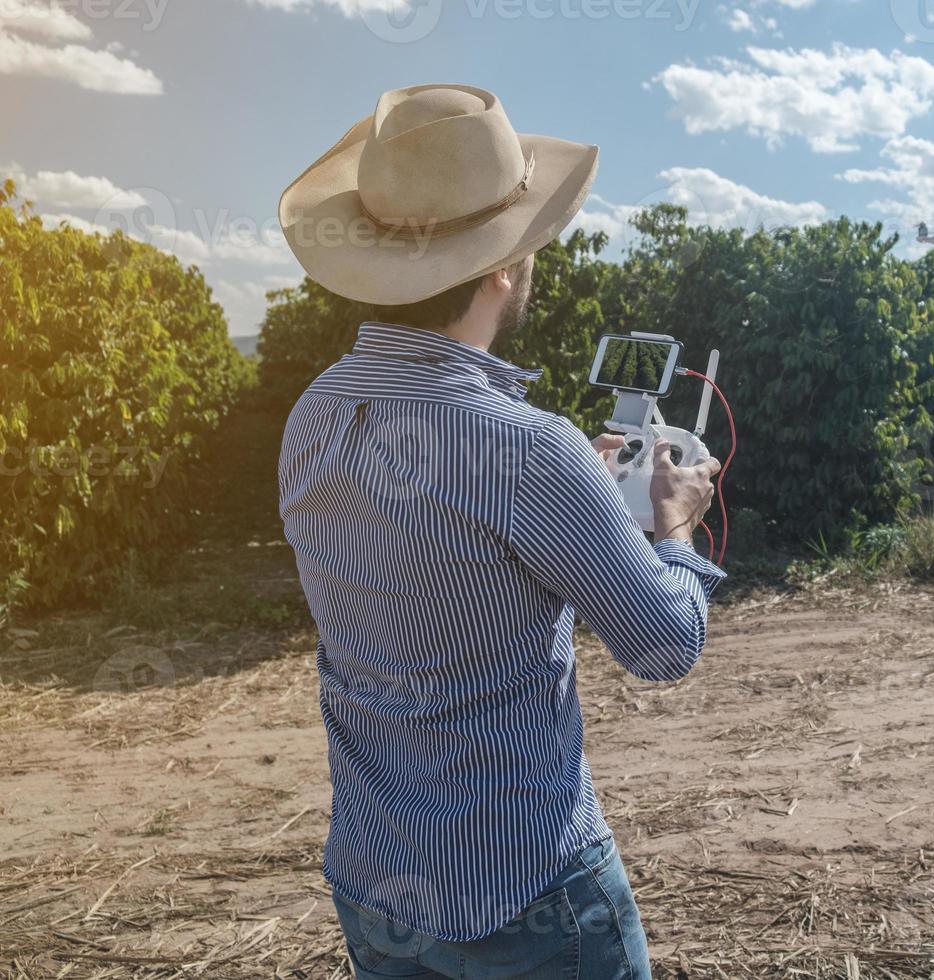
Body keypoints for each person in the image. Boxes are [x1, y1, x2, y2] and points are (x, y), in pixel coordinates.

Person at [275, 83, 724, 979]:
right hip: (526, 891)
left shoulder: (314, 414)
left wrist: (577, 502)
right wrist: (671, 529)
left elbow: (422, 560)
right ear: (502, 267)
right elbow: (665, 645)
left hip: (376, 882)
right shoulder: (528, 449)